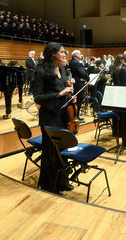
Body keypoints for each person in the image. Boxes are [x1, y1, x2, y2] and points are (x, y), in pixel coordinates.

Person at [32, 42, 75, 194]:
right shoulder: (42, 72)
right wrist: (59, 94)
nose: (65, 54)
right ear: (53, 53)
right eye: (62, 52)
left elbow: (64, 90)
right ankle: (49, 185)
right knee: (50, 152)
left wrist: (70, 97)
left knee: (62, 150)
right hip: (49, 117)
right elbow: (37, 97)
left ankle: (62, 181)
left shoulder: (63, 69)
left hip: (63, 115)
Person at [68, 50, 90, 123]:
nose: (81, 55)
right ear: (76, 55)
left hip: (76, 83)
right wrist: (88, 78)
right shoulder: (75, 62)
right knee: (79, 100)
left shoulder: (72, 61)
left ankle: (76, 116)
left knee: (78, 100)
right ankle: (76, 117)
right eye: (80, 54)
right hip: (78, 83)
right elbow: (82, 73)